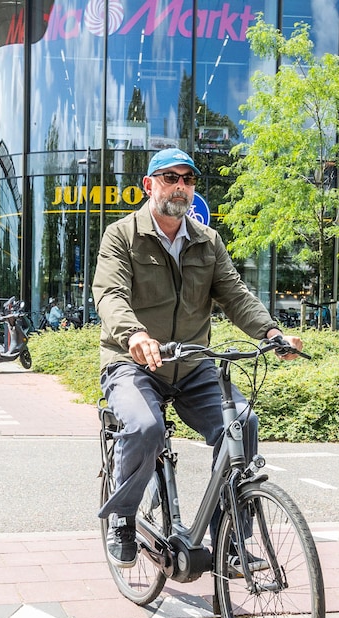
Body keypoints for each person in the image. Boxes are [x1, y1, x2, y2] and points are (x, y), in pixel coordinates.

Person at [91, 148, 303, 569]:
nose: (180, 186)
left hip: (191, 363)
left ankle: (232, 538)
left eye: (188, 179)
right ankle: (123, 516)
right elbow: (110, 295)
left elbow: (235, 295)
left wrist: (271, 332)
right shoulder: (122, 235)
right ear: (149, 185)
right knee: (145, 425)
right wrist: (134, 334)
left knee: (241, 423)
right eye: (170, 177)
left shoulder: (207, 242)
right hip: (133, 361)